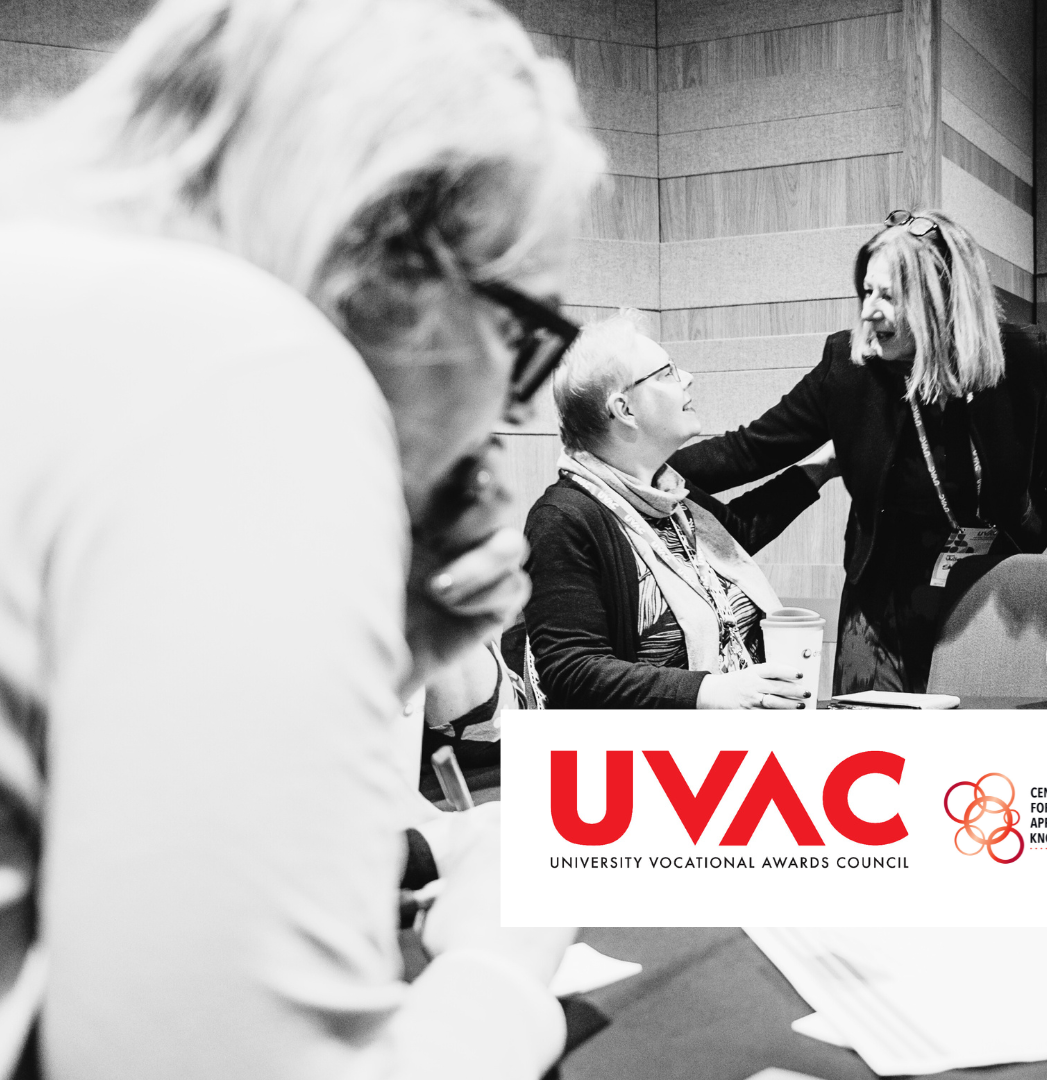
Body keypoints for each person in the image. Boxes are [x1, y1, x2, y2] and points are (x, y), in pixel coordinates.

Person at [0, 0, 602, 1076]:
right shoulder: (238, 361)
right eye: (526, 334)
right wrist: (501, 967)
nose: (506, 414)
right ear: (393, 265)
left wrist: (376, 660)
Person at [670, 210, 1047, 695]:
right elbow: (748, 450)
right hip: (882, 601)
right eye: (866, 292)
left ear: (943, 301)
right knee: (874, 743)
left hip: (995, 587)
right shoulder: (848, 370)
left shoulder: (1021, 360)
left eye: (888, 296)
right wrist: (630, 463)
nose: (869, 311)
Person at [523, 312, 836, 709]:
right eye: (667, 372)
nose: (687, 377)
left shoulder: (667, 492)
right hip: (643, 764)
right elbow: (571, 669)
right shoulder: (564, 518)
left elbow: (734, 535)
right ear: (625, 409)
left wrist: (823, 466)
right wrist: (709, 691)